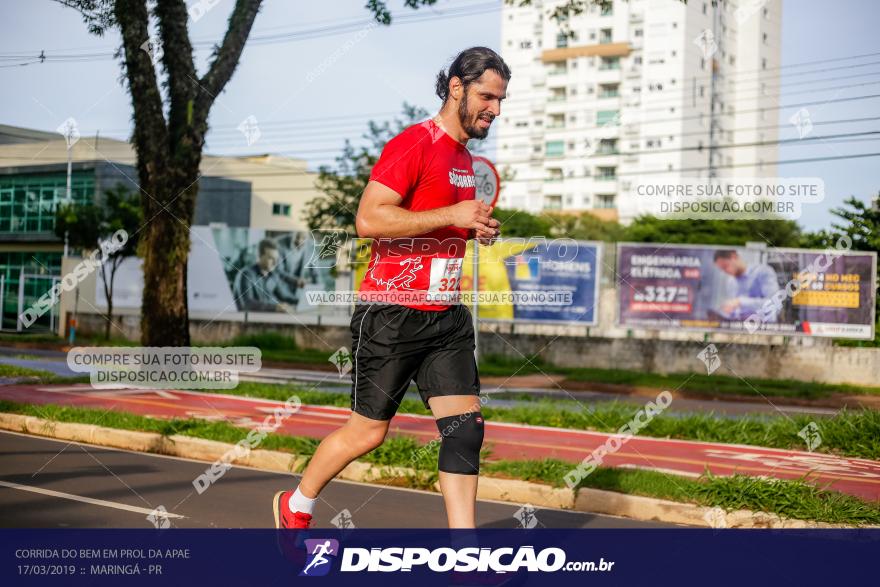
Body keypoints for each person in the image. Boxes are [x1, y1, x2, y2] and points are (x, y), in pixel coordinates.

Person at [273, 46, 509, 530]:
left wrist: (471, 228)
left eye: (502, 100)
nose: (496, 110)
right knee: (367, 433)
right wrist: (453, 215)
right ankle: (296, 505)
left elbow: (432, 223)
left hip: (445, 315)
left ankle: (465, 556)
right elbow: (369, 219)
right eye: (488, 96)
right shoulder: (412, 144)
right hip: (392, 313)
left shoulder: (465, 159)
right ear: (457, 88)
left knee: (466, 431)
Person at [712, 249, 782, 322]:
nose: (725, 271)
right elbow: (737, 312)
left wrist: (740, 302)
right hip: (740, 328)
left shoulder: (763, 272)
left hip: (765, 328)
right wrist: (726, 311)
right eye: (722, 269)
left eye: (725, 266)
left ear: (734, 257)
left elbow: (774, 304)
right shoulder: (731, 282)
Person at [233, 238, 297, 312]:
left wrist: (305, 301)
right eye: (271, 258)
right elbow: (247, 304)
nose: (275, 263)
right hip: (249, 320)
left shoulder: (272, 275)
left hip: (268, 318)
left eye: (276, 259)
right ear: (259, 256)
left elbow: (285, 296)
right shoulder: (246, 274)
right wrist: (275, 307)